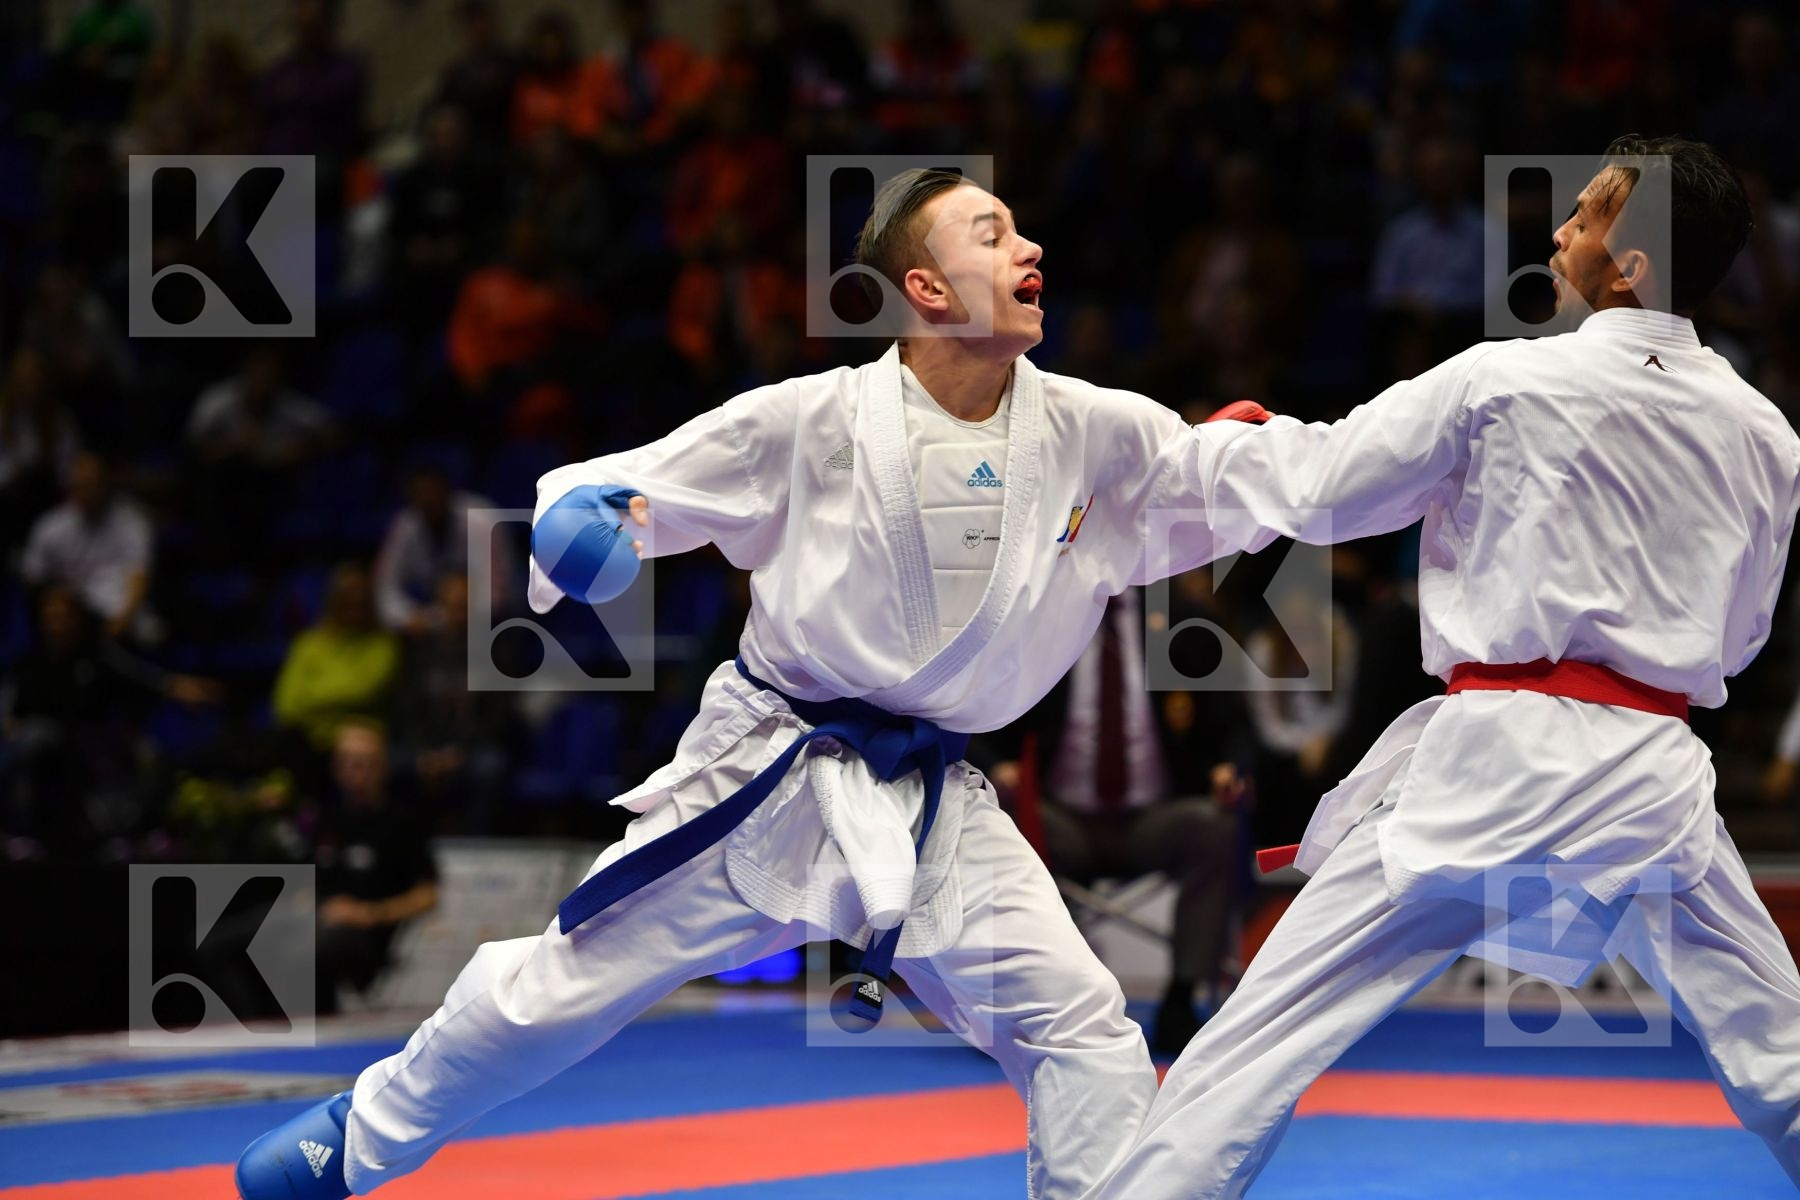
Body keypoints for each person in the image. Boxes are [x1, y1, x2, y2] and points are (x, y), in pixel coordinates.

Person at [235, 168, 1288, 1199]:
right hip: (772, 771)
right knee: (557, 995)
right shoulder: (809, 421)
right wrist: (585, 528)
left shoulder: (1096, 428)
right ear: (926, 289)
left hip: (931, 802)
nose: (1031, 249)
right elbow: (621, 492)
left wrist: (1255, 470)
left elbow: (1208, 489)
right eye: (993, 231)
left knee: (1077, 1025)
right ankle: (358, 1136)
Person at [1096, 137, 1800, 1197]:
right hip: (1652, 779)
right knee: (1780, 1059)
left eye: (1586, 216)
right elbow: (1743, 639)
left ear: (1634, 264)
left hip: (1492, 765)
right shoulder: (1768, 434)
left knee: (1255, 1046)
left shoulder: (1503, 380)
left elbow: (1328, 486)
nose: (1559, 232)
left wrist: (1201, 449)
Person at [977, 586, 1247, 1056]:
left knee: (1214, 827)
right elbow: (974, 713)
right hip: (1057, 817)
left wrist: (1229, 768)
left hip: (1152, 817)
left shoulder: (1184, 618)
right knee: (1000, 821)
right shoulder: (1039, 616)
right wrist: (998, 766)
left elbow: (1235, 724)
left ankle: (1183, 999)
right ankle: (1022, 1001)